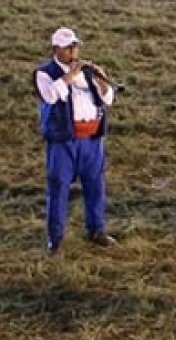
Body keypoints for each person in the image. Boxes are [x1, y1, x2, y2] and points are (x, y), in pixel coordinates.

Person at [35, 27, 118, 255]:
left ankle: (96, 230)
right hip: (64, 141)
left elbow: (108, 99)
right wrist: (70, 75)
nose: (73, 51)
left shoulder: (87, 72)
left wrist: (102, 79)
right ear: (56, 50)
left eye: (75, 46)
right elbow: (51, 95)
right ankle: (56, 238)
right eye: (68, 47)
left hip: (91, 139)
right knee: (59, 187)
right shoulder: (45, 73)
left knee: (95, 186)